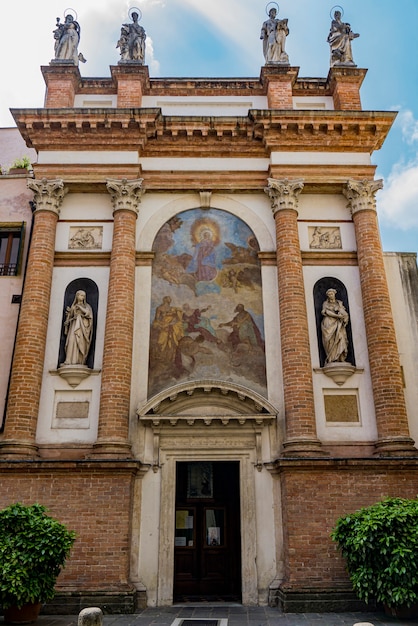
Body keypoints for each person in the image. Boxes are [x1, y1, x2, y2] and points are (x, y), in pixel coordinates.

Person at [63, 290, 93, 365]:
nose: (82, 297)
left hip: (82, 328)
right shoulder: (73, 307)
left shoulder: (86, 306)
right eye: (81, 295)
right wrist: (68, 318)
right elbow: (70, 317)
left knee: (80, 342)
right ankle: (68, 360)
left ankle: (79, 360)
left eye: (83, 296)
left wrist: (80, 308)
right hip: (74, 326)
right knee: (71, 340)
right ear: (77, 296)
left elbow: (88, 314)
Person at [321, 288, 349, 364]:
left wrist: (344, 317)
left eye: (332, 294)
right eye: (329, 294)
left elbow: (344, 313)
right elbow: (326, 312)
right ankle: (331, 358)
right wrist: (337, 316)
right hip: (329, 323)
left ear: (334, 294)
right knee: (329, 340)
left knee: (341, 338)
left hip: (339, 324)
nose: (330, 295)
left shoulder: (339, 303)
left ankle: (340, 357)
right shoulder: (325, 303)